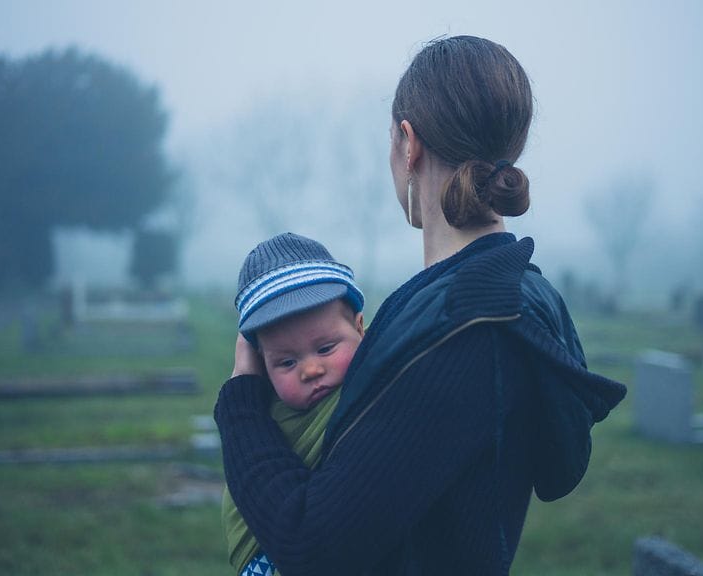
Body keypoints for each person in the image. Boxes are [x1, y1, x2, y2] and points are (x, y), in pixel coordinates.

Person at [215, 35, 627, 575]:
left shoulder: (466, 326)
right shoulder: (505, 294)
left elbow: (312, 547)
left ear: (408, 143)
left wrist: (243, 401)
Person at [220, 232, 366, 576]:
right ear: (260, 365)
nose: (311, 370)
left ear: (361, 328)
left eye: (326, 348)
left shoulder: (379, 388)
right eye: (286, 362)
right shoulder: (263, 422)